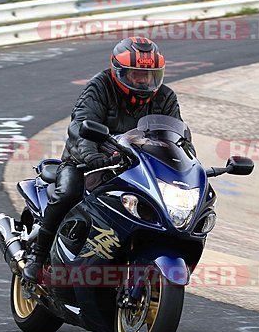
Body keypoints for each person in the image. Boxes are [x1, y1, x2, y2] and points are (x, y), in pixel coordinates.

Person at [23, 37, 182, 283]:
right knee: (67, 193)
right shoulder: (100, 86)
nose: (142, 80)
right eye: (135, 74)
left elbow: (178, 138)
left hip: (139, 166)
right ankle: (37, 255)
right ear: (118, 71)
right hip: (88, 161)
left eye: (149, 75)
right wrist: (90, 155)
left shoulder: (165, 97)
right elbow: (80, 127)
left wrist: (185, 164)